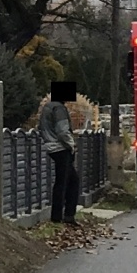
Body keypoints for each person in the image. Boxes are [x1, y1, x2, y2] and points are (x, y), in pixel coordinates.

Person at [40, 81, 79, 224]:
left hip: (51, 146)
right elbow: (63, 131)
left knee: (69, 180)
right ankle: (60, 216)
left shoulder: (48, 107)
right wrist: (71, 145)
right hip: (60, 148)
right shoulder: (59, 108)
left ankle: (66, 215)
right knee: (65, 182)